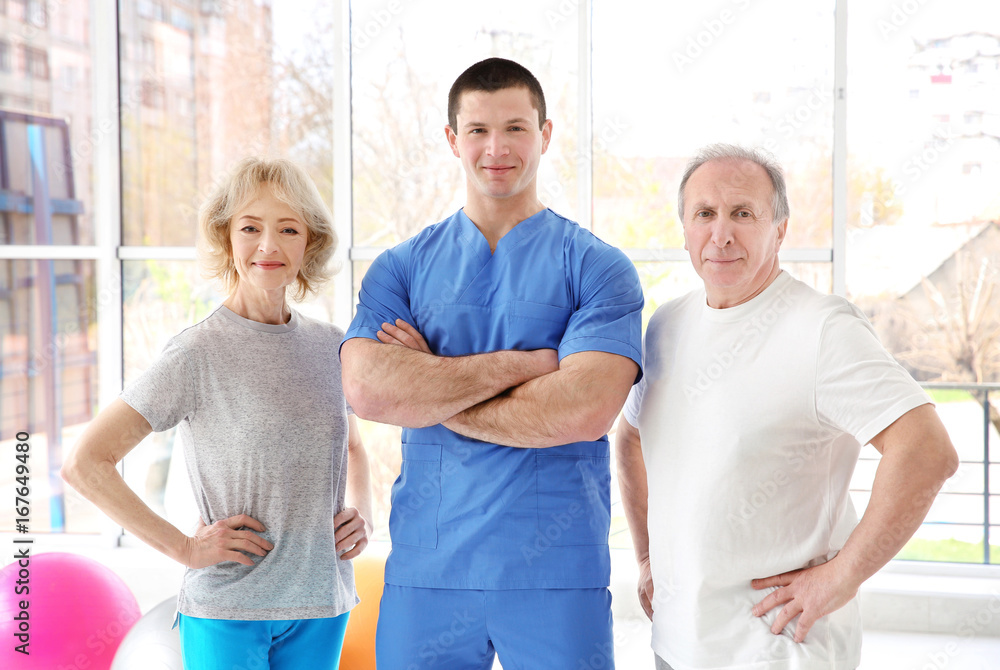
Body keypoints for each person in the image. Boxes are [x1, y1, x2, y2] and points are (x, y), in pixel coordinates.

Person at [340, 57, 643, 669]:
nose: (496, 147)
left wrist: (431, 384)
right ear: (453, 140)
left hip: (557, 575)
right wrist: (526, 366)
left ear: (546, 134)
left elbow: (581, 411)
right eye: (477, 129)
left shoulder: (597, 267)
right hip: (428, 572)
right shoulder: (401, 268)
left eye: (515, 128)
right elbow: (368, 391)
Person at [615, 143, 959, 670]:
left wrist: (841, 576)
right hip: (675, 646)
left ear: (780, 228)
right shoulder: (668, 324)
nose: (721, 233)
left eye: (743, 214)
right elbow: (632, 436)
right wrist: (644, 557)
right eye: (704, 214)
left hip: (776, 649)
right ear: (684, 228)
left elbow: (927, 451)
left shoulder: (822, 329)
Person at [61, 156, 372, 670]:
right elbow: (85, 462)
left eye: (288, 228)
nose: (268, 246)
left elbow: (354, 445)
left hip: (323, 604)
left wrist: (361, 512)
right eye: (250, 227)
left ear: (309, 244)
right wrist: (184, 548)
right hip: (229, 609)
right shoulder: (195, 353)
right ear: (227, 238)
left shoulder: (332, 346)